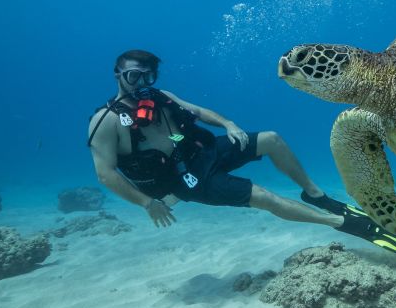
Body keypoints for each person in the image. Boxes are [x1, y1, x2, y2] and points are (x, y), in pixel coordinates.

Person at [88, 49, 368, 233]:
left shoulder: (162, 96)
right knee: (264, 197)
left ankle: (313, 193)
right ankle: (339, 222)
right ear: (118, 75)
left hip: (199, 153)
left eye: (149, 76)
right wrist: (148, 203)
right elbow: (105, 174)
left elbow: (197, 111)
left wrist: (228, 124)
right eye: (134, 76)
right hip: (182, 180)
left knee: (271, 139)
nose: (143, 83)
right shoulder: (106, 120)